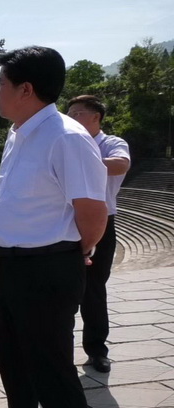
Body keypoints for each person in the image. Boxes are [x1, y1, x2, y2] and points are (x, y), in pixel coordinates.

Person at [0, 47, 107, 408]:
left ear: (26, 89)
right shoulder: (20, 133)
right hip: (9, 266)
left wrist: (69, 253)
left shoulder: (66, 137)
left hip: (46, 269)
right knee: (12, 358)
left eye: (0, 83)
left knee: (53, 373)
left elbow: (93, 213)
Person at [67, 95, 131, 373]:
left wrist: (83, 161)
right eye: (69, 114)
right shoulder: (67, 141)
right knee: (63, 289)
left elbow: (121, 165)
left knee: (94, 289)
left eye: (77, 113)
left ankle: (96, 350)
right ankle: (59, 351)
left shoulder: (112, 143)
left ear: (96, 117)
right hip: (66, 222)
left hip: (101, 223)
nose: (71, 118)